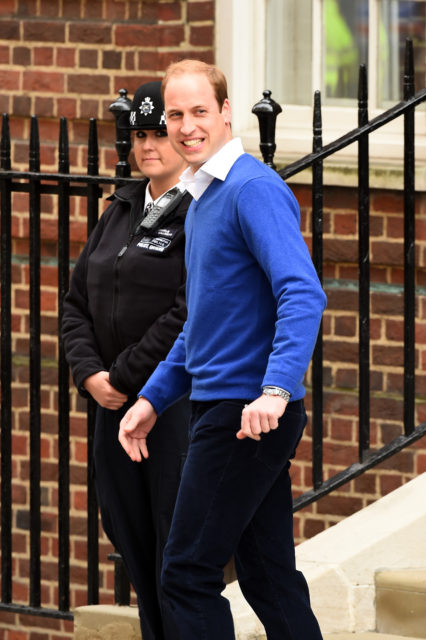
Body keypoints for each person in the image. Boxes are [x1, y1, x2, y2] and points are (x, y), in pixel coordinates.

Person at [119, 60, 327, 640]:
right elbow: (202, 323)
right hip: (226, 407)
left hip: (246, 414)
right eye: (175, 114)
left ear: (226, 112)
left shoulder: (251, 189)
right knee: (268, 576)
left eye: (199, 111)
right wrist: (152, 399)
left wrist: (276, 389)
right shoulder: (204, 196)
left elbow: (303, 293)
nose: (186, 127)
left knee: (186, 573)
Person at [61, 80, 191, 640]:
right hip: (111, 407)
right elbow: (76, 303)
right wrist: (90, 375)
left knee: (176, 549)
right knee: (129, 534)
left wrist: (124, 376)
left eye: (159, 132)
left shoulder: (200, 210)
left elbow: (189, 309)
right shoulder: (120, 206)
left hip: (170, 404)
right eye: (139, 135)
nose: (148, 145)